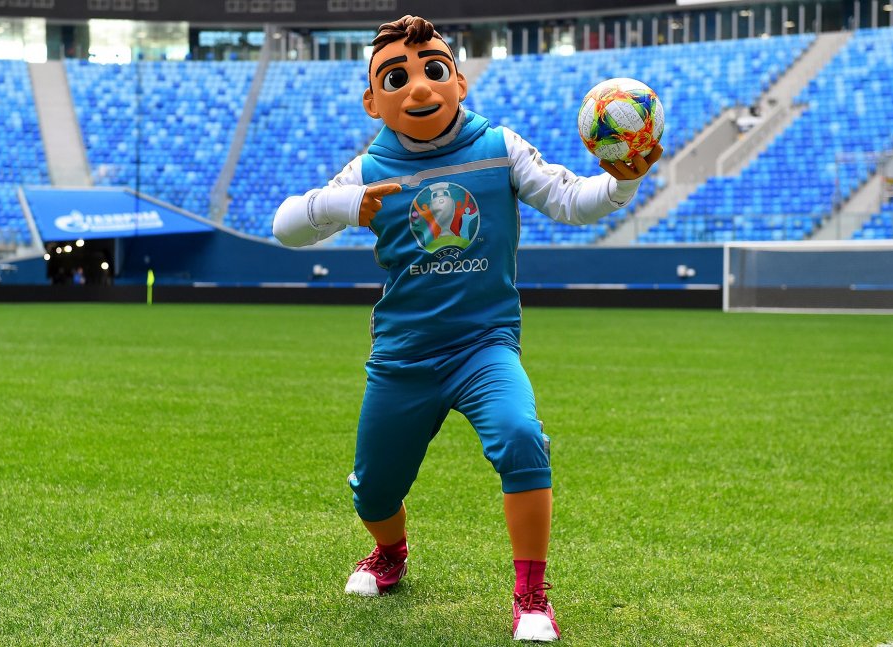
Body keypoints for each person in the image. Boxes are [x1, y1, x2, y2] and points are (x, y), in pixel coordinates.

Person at [272, 15, 661, 642]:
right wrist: (346, 204)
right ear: (373, 101)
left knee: (521, 438)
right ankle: (390, 555)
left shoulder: (499, 147)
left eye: (434, 70)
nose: (419, 88)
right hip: (404, 355)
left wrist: (624, 180)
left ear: (460, 81)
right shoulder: (369, 168)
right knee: (372, 492)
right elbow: (286, 225)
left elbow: (569, 200)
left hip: (484, 347)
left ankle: (531, 596)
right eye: (396, 78)